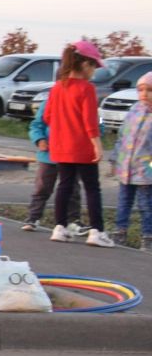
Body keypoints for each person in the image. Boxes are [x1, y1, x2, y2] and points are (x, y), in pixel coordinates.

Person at [42, 39, 114, 247]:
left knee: (64, 185)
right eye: (94, 66)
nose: (94, 71)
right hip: (82, 146)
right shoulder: (87, 89)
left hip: (61, 146)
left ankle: (59, 227)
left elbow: (47, 116)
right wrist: (97, 145)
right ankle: (97, 231)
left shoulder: (57, 88)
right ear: (85, 64)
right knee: (92, 188)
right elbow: (90, 121)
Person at [110, 73, 151, 250]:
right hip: (126, 167)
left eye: (149, 90)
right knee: (123, 201)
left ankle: (148, 235)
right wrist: (115, 159)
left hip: (146, 171)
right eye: (141, 90)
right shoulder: (134, 110)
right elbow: (122, 137)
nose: (144, 94)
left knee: (146, 205)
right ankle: (120, 231)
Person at [20, 108, 58, 232]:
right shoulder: (49, 102)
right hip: (48, 154)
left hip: (72, 155)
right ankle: (33, 217)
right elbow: (36, 124)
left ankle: (73, 220)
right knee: (42, 186)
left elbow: (98, 123)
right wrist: (39, 139)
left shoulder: (83, 99)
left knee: (72, 189)